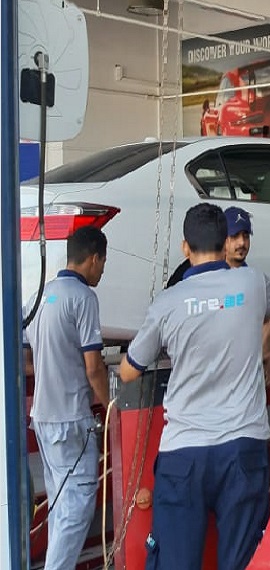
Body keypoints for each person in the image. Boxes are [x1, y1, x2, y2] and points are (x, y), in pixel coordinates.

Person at [119, 203, 270, 570]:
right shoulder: (253, 283)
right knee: (243, 561)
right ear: (225, 242)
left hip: (184, 453)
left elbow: (129, 372)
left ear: (185, 247)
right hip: (243, 448)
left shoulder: (167, 303)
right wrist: (266, 347)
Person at [23, 226, 110, 570]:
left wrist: (54, 365)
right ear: (93, 258)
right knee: (76, 510)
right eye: (103, 263)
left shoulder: (39, 295)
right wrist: (112, 407)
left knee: (61, 507)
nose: (102, 271)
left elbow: (26, 360)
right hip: (71, 420)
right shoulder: (83, 298)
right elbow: (94, 368)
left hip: (43, 419)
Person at [166, 205, 270, 385]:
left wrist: (268, 350)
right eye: (234, 236)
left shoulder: (252, 279)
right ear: (221, 238)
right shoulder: (193, 274)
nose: (242, 242)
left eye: (246, 235)